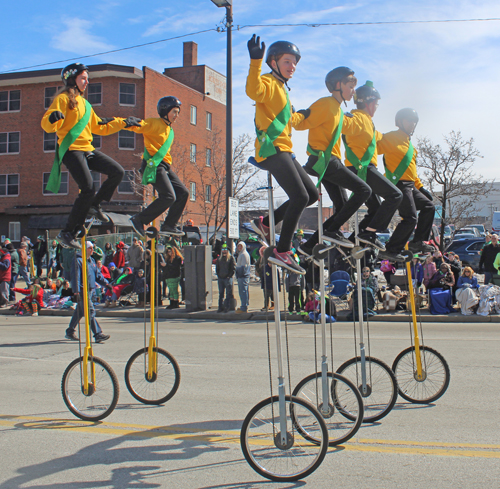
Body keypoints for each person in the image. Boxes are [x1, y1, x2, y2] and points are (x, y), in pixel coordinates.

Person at [41, 62, 141, 249]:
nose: (87, 82)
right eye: (83, 78)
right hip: (71, 150)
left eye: (87, 78)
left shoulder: (86, 104)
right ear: (72, 80)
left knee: (117, 171)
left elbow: (100, 126)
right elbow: (47, 123)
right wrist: (53, 119)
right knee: (87, 187)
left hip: (88, 149)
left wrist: (125, 122)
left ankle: (95, 206)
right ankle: (67, 232)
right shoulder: (63, 99)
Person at [246, 35, 317, 274]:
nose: (292, 66)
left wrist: (310, 116)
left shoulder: (283, 91)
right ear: (273, 62)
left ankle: (266, 223)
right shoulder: (266, 81)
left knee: (312, 195)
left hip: (285, 149)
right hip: (271, 149)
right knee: (298, 196)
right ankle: (282, 250)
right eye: (287, 61)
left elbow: (293, 122)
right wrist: (255, 61)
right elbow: (252, 90)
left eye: (295, 62)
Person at [295, 66, 373, 255]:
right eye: (351, 84)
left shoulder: (337, 110)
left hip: (328, 161)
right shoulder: (326, 104)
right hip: (326, 161)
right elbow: (300, 123)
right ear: (338, 85)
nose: (353, 90)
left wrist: (365, 120)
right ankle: (331, 231)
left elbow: (351, 128)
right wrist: (292, 113)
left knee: (342, 206)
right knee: (364, 190)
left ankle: (308, 245)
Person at [342, 81, 404, 260]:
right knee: (395, 196)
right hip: (361, 168)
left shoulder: (369, 123)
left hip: (364, 168)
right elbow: (343, 124)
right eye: (375, 104)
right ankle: (369, 234)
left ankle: (357, 239)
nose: (376, 107)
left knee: (376, 208)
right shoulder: (358, 118)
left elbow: (380, 139)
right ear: (368, 103)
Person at [125, 96, 188, 238]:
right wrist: (128, 122)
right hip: (154, 165)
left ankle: (169, 225)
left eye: (178, 112)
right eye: (174, 112)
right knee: (169, 196)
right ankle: (139, 219)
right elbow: (139, 126)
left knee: (183, 193)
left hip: (165, 166)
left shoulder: (170, 130)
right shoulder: (154, 123)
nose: (177, 116)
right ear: (165, 111)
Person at [377, 108, 435, 257]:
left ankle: (418, 242)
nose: (412, 124)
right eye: (409, 120)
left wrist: (421, 188)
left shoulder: (411, 147)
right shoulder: (390, 137)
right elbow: (372, 149)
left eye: (414, 122)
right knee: (410, 218)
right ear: (399, 122)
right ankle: (391, 249)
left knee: (429, 206)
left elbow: (412, 172)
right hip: (398, 184)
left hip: (411, 185)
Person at [66, 241, 110, 342]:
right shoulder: (78, 260)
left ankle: (70, 331)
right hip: (82, 290)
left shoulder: (91, 261)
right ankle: (98, 334)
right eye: (90, 248)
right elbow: (75, 277)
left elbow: (98, 276)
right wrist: (76, 292)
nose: (92, 250)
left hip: (90, 290)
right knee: (90, 311)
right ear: (84, 249)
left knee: (80, 312)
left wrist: (107, 284)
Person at [215, 245, 235, 313]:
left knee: (228, 293)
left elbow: (233, 268)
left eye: (225, 249)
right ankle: (220, 307)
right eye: (223, 249)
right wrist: (218, 275)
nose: (224, 250)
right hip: (221, 278)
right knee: (221, 293)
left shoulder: (231, 258)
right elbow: (217, 268)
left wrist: (229, 276)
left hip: (227, 278)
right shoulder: (219, 258)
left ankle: (227, 307)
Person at [235, 241, 251, 313]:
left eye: (241, 246)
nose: (239, 248)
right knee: (244, 291)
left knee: (243, 291)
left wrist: (239, 274)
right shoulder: (241, 254)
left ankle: (244, 307)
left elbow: (244, 266)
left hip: (243, 276)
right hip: (243, 275)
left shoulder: (244, 254)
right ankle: (244, 305)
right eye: (238, 246)